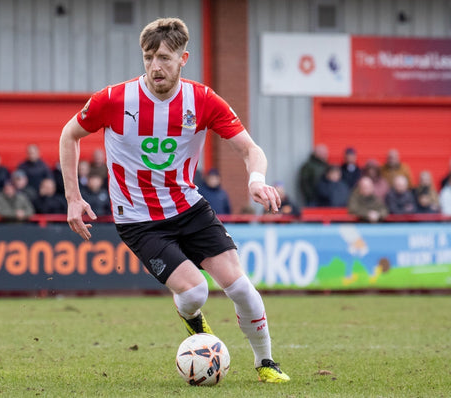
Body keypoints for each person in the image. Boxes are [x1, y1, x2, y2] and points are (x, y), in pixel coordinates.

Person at [58, 18, 289, 383]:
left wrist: (256, 179)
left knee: (241, 286)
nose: (155, 66)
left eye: (164, 57)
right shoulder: (115, 99)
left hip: (189, 207)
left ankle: (266, 363)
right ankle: (192, 319)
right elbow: (69, 134)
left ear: (184, 58)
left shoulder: (202, 100)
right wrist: (73, 197)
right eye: (148, 57)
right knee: (196, 292)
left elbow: (250, 149)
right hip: (138, 220)